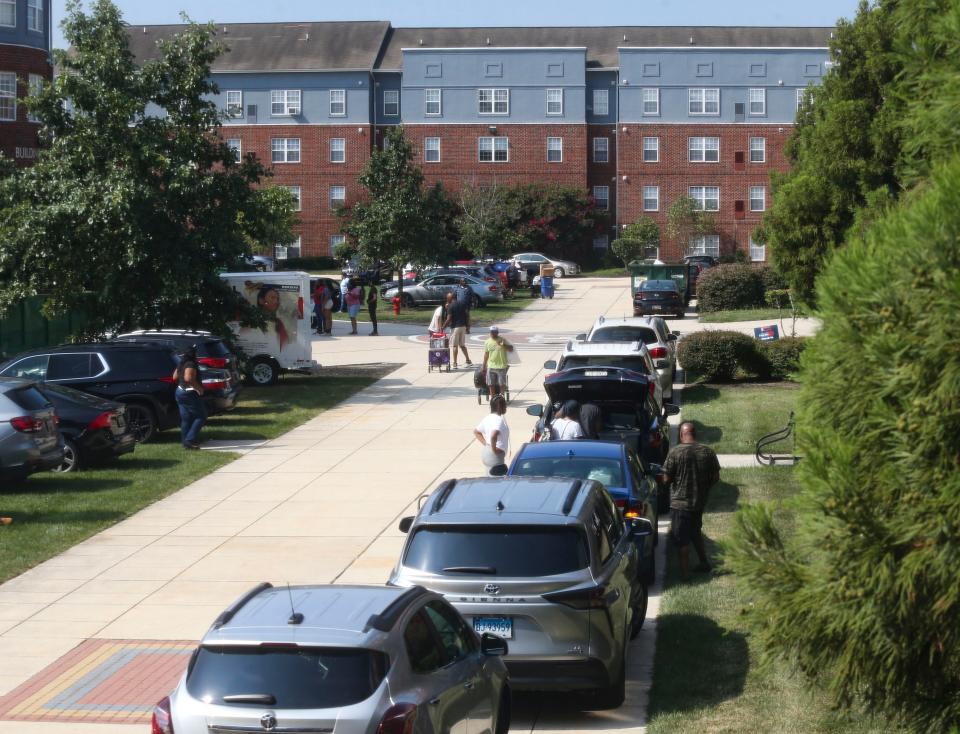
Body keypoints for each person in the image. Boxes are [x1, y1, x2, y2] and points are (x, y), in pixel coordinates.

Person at [659, 422, 721, 581]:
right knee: (695, 532)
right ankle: (703, 562)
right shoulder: (708, 452)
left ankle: (685, 575)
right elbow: (715, 478)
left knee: (682, 539)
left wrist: (667, 480)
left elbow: (666, 479)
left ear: (681, 434)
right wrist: (704, 488)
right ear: (695, 434)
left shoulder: (675, 453)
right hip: (699, 502)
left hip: (680, 504)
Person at [172, 346, 207, 449]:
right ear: (193, 354)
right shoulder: (190, 364)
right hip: (189, 393)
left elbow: (174, 377)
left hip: (179, 391)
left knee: (186, 418)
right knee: (201, 416)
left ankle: (185, 443)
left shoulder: (181, 363)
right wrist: (198, 388)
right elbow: (188, 378)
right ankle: (190, 439)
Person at [474, 394, 509, 473]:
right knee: (496, 482)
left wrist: (487, 444)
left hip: (487, 452)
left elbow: (476, 432)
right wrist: (494, 450)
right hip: (495, 456)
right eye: (505, 405)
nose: (506, 407)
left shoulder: (488, 417)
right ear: (500, 406)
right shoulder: (498, 420)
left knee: (489, 479)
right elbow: (493, 435)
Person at [443, 292, 473, 368]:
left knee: (455, 346)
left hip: (455, 328)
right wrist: (468, 326)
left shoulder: (450, 306)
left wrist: (443, 327)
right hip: (463, 327)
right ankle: (468, 361)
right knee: (462, 345)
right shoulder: (462, 304)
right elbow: (467, 315)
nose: (447, 299)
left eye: (448, 297)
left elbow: (449, 319)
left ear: (451, 298)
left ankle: (455, 363)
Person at [481, 325, 513, 398]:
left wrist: (503, 345)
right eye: (492, 332)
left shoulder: (502, 340)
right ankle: (493, 398)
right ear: (490, 332)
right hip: (491, 366)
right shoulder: (487, 342)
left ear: (497, 332)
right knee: (491, 383)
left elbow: (511, 349)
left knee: (502, 383)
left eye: (495, 332)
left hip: (501, 366)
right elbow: (486, 354)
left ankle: (501, 396)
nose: (493, 333)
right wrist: (484, 365)